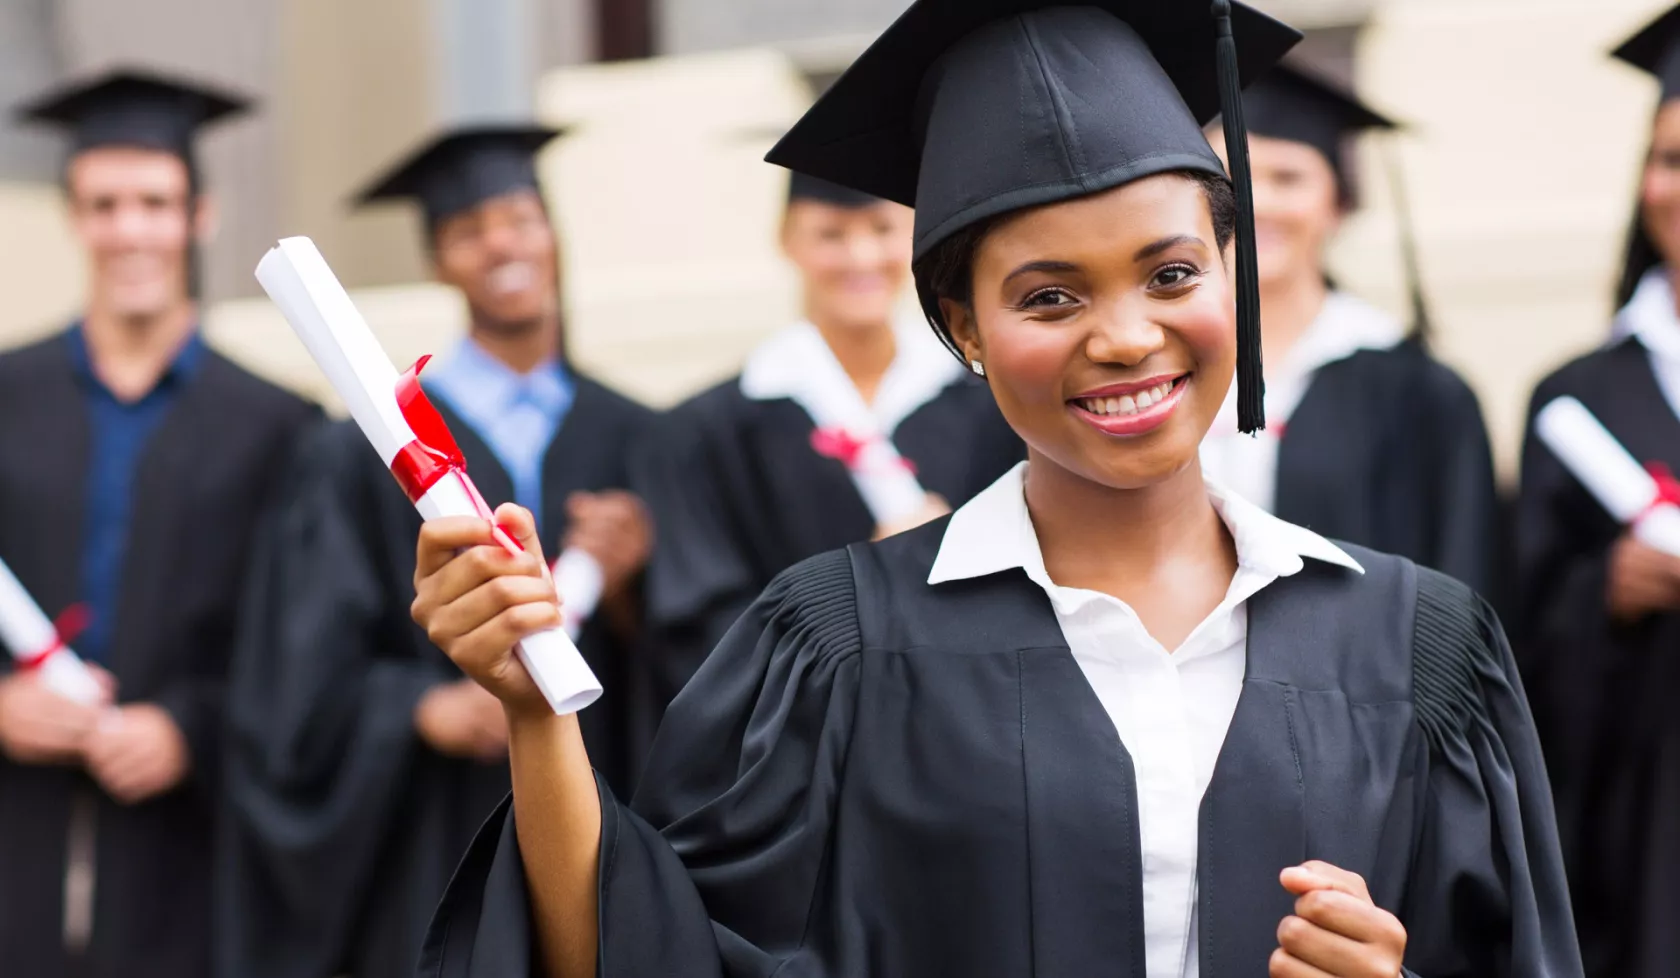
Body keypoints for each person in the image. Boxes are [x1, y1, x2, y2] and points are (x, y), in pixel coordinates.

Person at [414, 3, 1581, 977]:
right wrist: (535, 712)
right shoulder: (837, 649)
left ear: (1235, 268)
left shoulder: (1417, 649)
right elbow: (646, 951)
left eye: (1172, 272)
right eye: (1050, 297)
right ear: (963, 327)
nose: (1126, 336)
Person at [218, 126, 655, 978]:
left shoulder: (641, 436)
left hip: (606, 824)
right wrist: (418, 710)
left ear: (554, 237)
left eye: (520, 218)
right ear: (438, 263)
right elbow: (296, 668)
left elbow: (701, 666)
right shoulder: (360, 455)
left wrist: (636, 589)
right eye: (468, 229)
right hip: (427, 839)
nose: (501, 243)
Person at [0, 69, 316, 978]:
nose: (129, 230)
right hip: (20, 836)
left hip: (191, 854)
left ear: (199, 216)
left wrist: (193, 729)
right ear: (74, 217)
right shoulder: (6, 399)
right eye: (105, 205)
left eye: (154, 202)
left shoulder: (278, 428)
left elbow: (299, 647)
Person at [638, 169, 1022, 700]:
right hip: (808, 740)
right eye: (831, 235)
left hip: (975, 709)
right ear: (786, 239)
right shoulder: (707, 432)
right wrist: (867, 592)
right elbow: (705, 632)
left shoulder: (995, 406)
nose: (861, 257)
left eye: (882, 229)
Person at [1198, 61, 1502, 600]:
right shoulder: (1152, 368)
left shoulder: (1422, 394)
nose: (1255, 202)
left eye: (1287, 178)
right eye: (1229, 178)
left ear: (1339, 204)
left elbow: (1463, 589)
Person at [1515, 6, 1680, 974]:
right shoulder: (1579, 396)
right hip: (1645, 837)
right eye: (1667, 159)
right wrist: (1607, 591)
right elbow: (1520, 627)